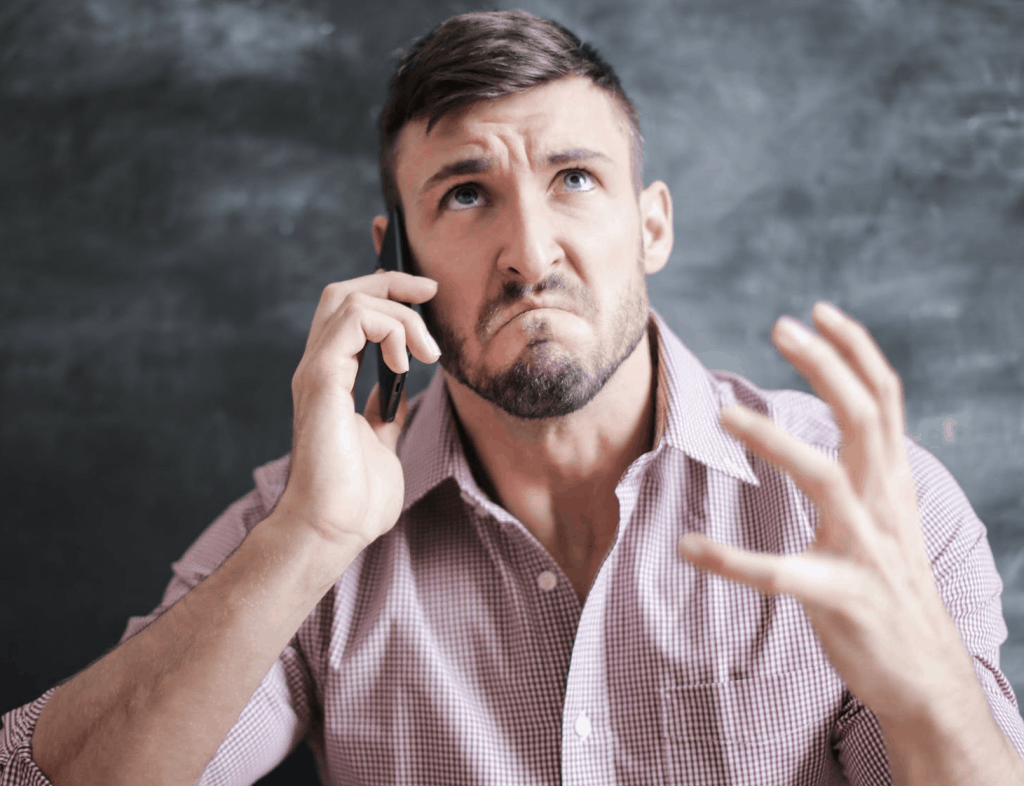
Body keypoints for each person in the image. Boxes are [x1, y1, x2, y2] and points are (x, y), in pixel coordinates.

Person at [2, 10, 1023, 785]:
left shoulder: (869, 510)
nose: (531, 255)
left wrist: (923, 683)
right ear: (392, 258)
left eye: (575, 178)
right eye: (465, 194)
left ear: (651, 226)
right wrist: (307, 540)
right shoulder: (304, 523)